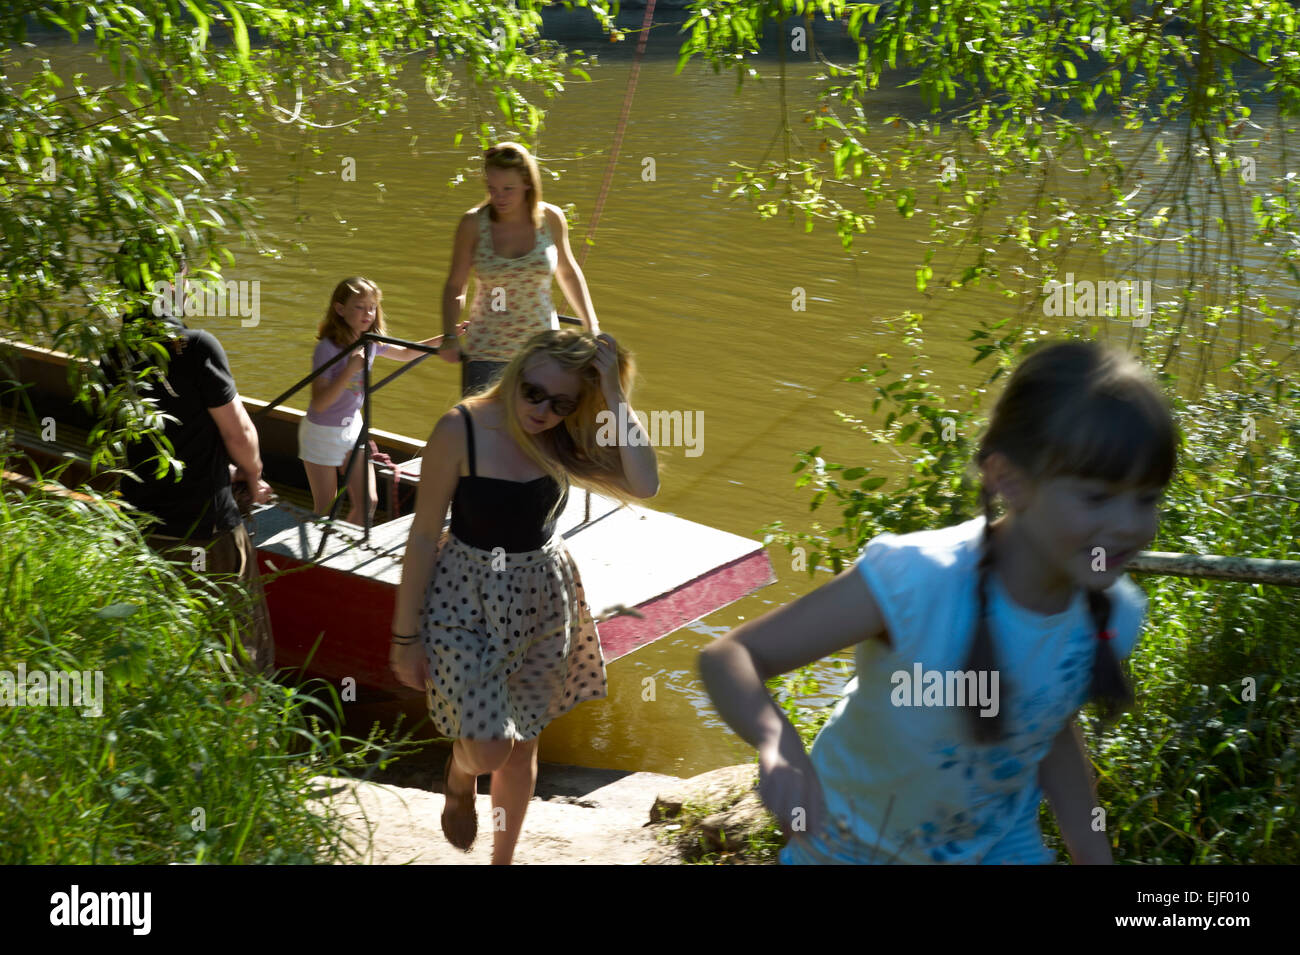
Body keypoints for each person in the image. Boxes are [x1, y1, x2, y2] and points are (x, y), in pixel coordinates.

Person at [699, 341, 1180, 864]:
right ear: (1008, 479)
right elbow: (730, 658)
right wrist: (779, 745)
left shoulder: (1118, 612)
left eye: (1146, 498)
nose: (1131, 525)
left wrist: (1093, 853)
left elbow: (1051, 727)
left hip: (1000, 850)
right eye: (1097, 497)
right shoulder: (917, 580)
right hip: (847, 852)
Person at [389, 328, 658, 864]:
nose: (542, 410)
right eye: (533, 392)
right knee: (490, 748)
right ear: (515, 373)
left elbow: (644, 482)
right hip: (463, 598)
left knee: (522, 744)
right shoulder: (459, 428)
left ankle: (502, 861)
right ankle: (461, 774)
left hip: (543, 597)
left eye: (561, 402)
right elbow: (421, 536)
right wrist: (405, 636)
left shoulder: (562, 436)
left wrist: (613, 392)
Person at [106, 246, 277, 677]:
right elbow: (238, 433)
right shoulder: (194, 346)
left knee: (159, 648)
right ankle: (240, 735)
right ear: (174, 283)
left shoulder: (114, 353)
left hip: (141, 525)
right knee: (239, 651)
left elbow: (129, 441)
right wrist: (253, 476)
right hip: (205, 524)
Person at [438, 142, 600, 397]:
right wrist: (449, 335)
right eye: (492, 188)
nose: (499, 197)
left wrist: (592, 327)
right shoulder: (473, 224)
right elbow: (455, 286)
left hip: (543, 351)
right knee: (485, 432)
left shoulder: (551, 218)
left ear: (527, 183)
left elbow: (568, 273)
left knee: (539, 429)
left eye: (508, 189)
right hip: (488, 350)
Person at [300, 276, 460, 524]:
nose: (368, 313)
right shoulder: (327, 348)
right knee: (326, 506)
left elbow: (406, 353)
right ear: (340, 309)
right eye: (359, 307)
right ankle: (317, 556)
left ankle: (342, 553)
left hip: (352, 428)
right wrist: (350, 369)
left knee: (368, 503)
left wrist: (445, 338)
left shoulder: (371, 341)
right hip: (321, 432)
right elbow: (319, 403)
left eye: (372, 307)